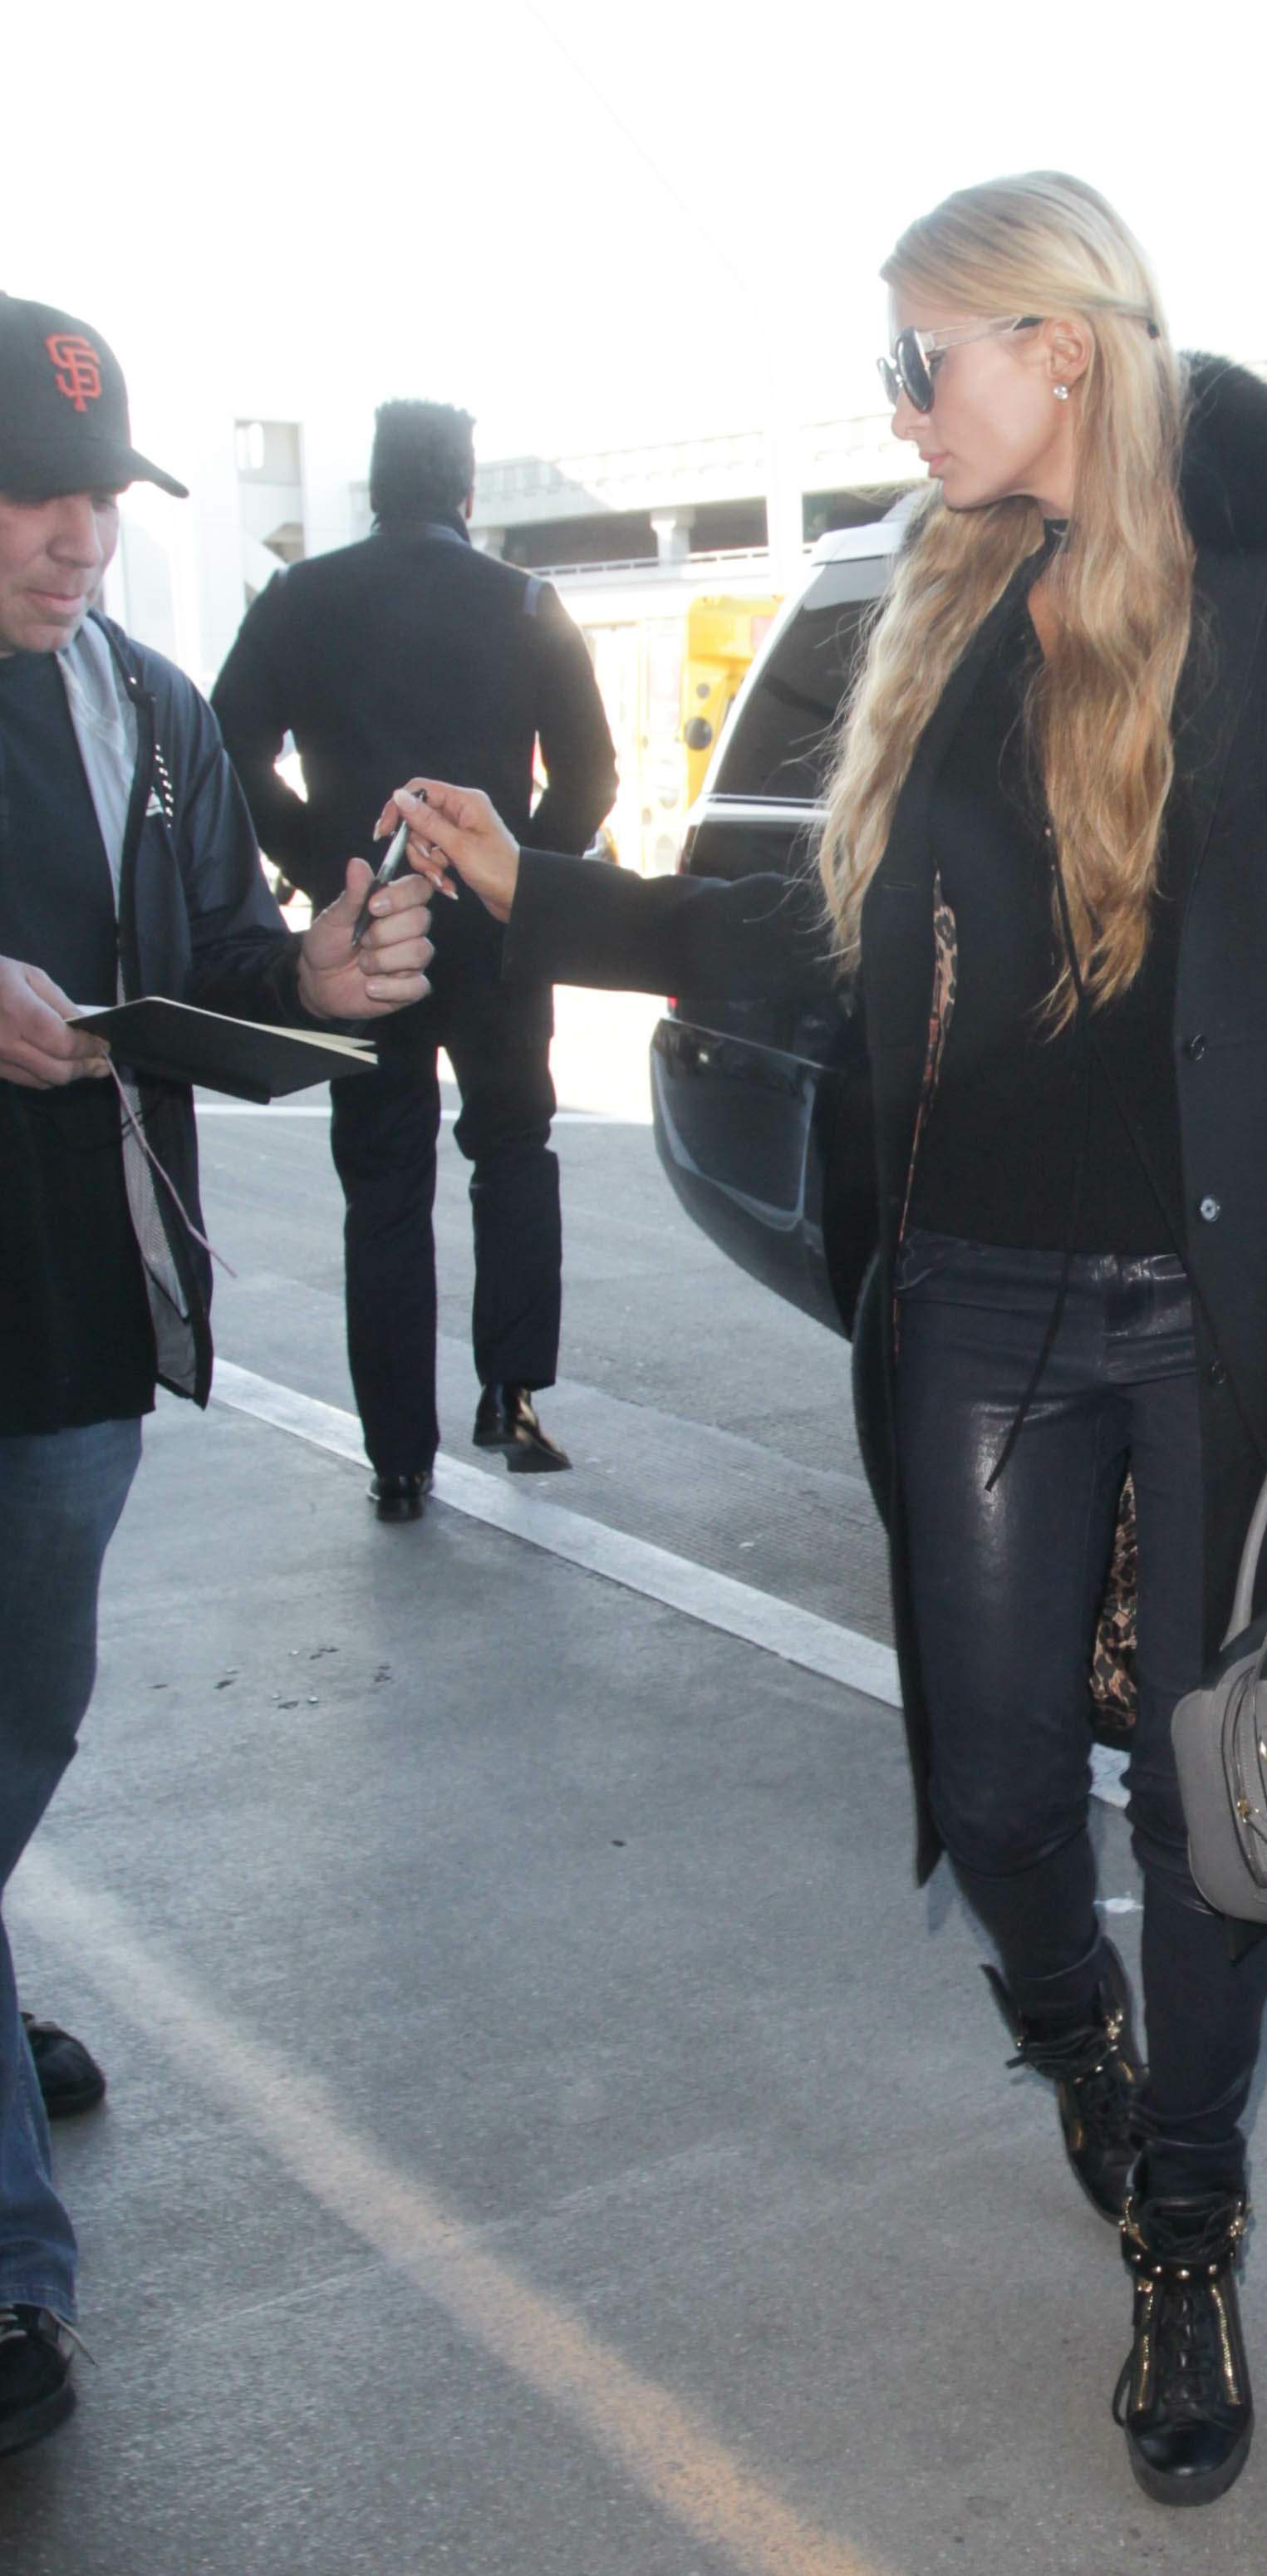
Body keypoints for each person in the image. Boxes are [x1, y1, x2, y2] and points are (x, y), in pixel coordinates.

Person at [383, 173, 1267, 2507]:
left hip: (1217, 1307)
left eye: (925, 355)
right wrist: (531, 889)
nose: (900, 402)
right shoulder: (947, 596)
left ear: (1060, 344)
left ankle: (1186, 2224)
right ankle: (1071, 2038)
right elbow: (815, 941)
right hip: (971, 1294)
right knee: (989, 1790)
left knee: (1207, 1809)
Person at [0, 293, 434, 2457]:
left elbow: (209, 967)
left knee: (27, 1726)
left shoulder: (149, 709)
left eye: (96, 498)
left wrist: (319, 968)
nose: (73, 536)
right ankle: (12, 2279)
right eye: (30, 495)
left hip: (78, 1326)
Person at [212, 400, 618, 1522]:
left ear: (374, 490)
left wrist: (322, 859)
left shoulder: (301, 600)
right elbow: (593, 772)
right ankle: (514, 1397)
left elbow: (228, 739)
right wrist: (524, 874)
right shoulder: (528, 602)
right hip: (498, 944)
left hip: (365, 934)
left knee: (383, 1188)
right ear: (468, 491)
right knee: (514, 1151)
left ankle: (400, 1459)